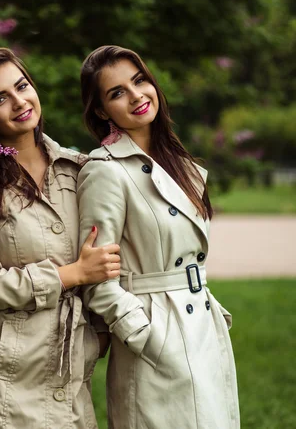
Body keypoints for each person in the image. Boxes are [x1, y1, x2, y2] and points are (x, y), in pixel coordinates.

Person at [0, 47, 121, 428]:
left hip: (67, 372)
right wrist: (71, 275)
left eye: (22, 86)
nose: (19, 103)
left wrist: (99, 334)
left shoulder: (83, 169)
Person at [77, 45, 239, 428]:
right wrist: (143, 334)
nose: (136, 96)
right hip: (155, 336)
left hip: (201, 326)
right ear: (101, 110)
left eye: (139, 81)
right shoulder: (106, 170)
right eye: (117, 92)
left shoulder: (182, 166)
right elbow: (97, 275)